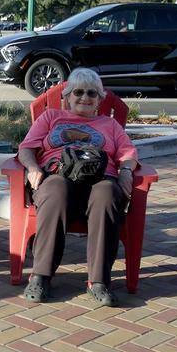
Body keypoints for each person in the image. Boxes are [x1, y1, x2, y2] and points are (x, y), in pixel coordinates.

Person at [17, 68, 138, 306]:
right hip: (57, 176)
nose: (85, 97)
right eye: (78, 92)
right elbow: (26, 148)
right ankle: (40, 275)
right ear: (67, 97)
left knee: (107, 194)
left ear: (100, 99)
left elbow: (128, 153)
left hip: (101, 178)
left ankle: (99, 281)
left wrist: (125, 172)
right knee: (56, 189)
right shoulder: (51, 117)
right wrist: (32, 168)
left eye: (92, 93)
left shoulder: (110, 125)